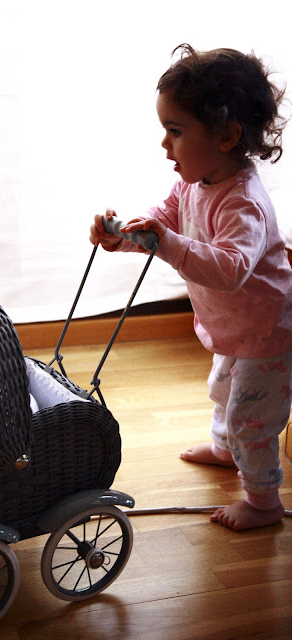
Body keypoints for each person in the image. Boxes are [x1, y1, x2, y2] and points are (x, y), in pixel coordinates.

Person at [90, 44, 292, 531]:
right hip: (236, 327)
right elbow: (163, 222)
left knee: (251, 418)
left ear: (226, 136)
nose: (165, 144)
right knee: (223, 390)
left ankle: (264, 501)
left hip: (268, 332)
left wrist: (167, 242)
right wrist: (124, 237)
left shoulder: (243, 203)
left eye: (176, 131)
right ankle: (225, 450)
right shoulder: (191, 183)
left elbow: (230, 269)